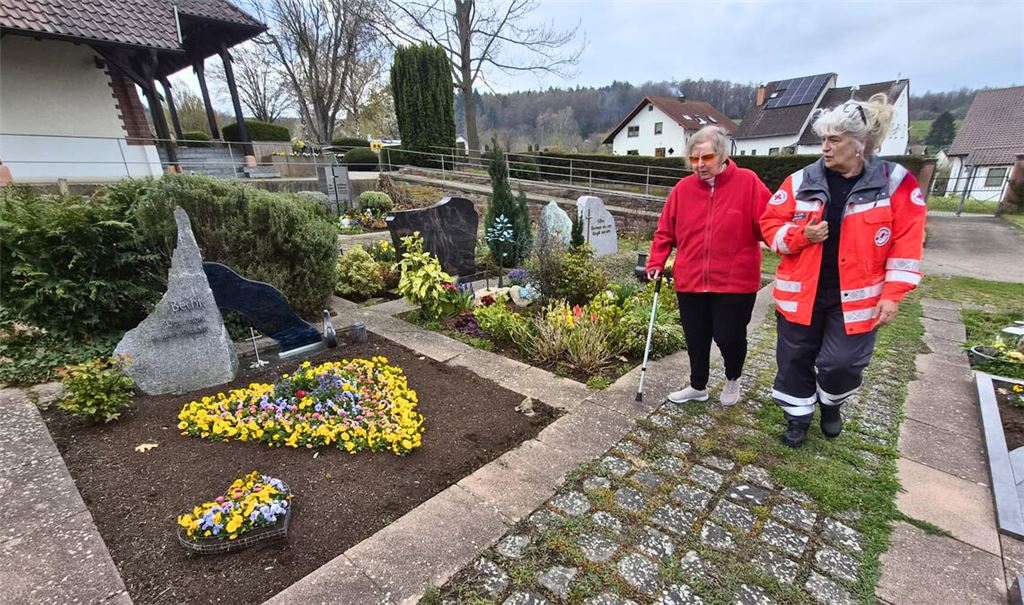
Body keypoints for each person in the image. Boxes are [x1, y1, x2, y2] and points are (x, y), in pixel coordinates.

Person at [760, 93, 926, 447]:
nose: (825, 147)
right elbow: (770, 226)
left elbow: (907, 244)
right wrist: (801, 236)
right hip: (802, 292)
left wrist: (893, 295)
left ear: (860, 144)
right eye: (823, 139)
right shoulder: (801, 180)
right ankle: (797, 417)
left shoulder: (895, 183)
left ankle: (831, 403)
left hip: (856, 298)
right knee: (794, 359)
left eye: (834, 140)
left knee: (842, 364)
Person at [646, 125, 772, 406]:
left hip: (735, 280)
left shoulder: (748, 182)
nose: (700, 165)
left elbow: (770, 223)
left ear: (722, 155)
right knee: (696, 337)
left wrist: (788, 240)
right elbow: (665, 231)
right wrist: (656, 261)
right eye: (694, 159)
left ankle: (733, 377)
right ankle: (697, 386)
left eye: (707, 158)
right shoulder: (683, 189)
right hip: (691, 278)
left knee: (729, 336)